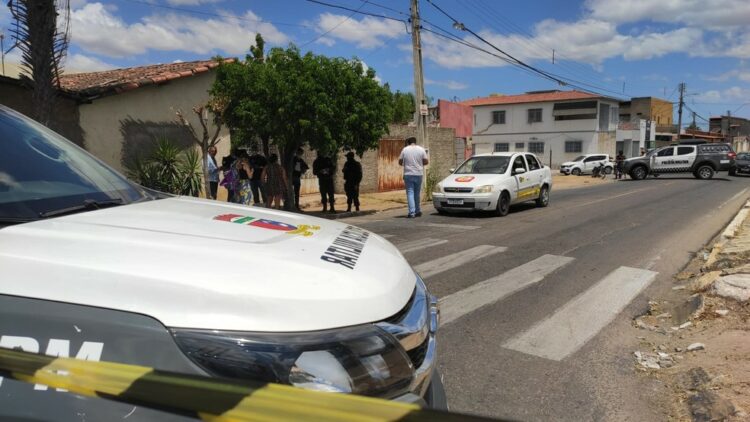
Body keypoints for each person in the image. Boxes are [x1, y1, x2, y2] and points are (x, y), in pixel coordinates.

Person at [399, 137, 428, 218]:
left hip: (408, 174)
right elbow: (426, 161)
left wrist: (406, 164)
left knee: (410, 193)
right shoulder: (421, 149)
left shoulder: (405, 150)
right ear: (415, 142)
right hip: (419, 173)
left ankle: (412, 213)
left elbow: (400, 162)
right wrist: (419, 164)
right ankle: (418, 211)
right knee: (417, 193)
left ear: (408, 142)